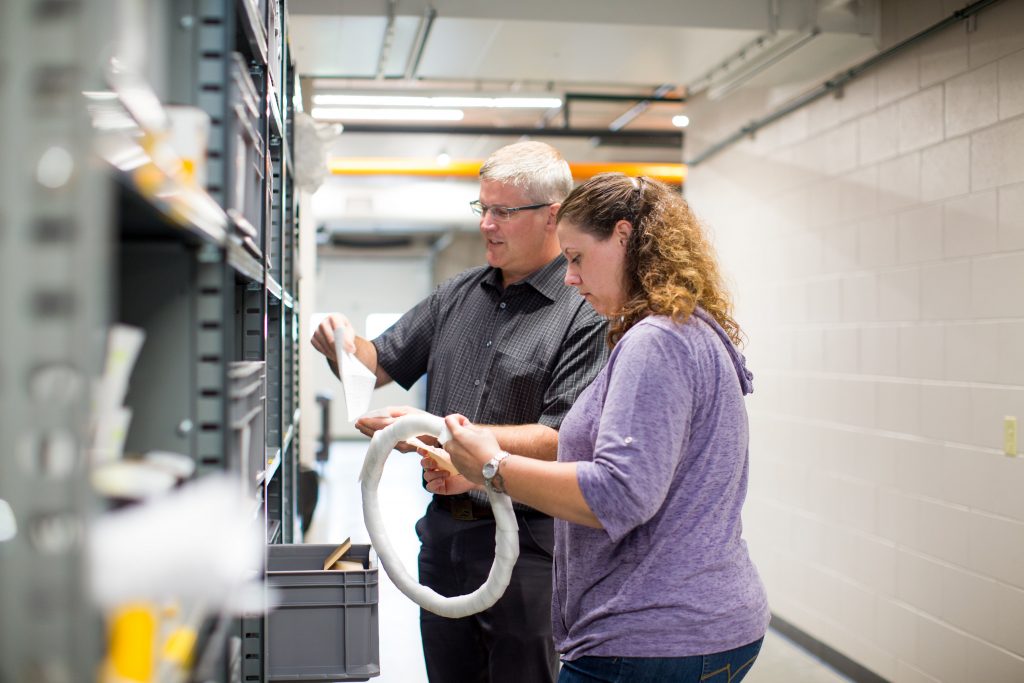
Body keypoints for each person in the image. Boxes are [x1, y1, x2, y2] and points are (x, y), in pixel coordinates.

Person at [438, 173, 770, 683]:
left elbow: (618, 494)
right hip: (704, 625)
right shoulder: (692, 329)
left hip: (650, 639)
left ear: (621, 237)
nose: (569, 278)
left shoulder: (654, 342)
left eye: (575, 257)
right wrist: (478, 473)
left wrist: (493, 465)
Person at [310, 141, 609, 683]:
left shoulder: (584, 311)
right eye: (483, 208)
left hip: (531, 547)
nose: (487, 225)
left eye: (503, 212)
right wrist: (339, 342)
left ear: (552, 216)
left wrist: (449, 440)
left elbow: (563, 438)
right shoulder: (458, 294)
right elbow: (379, 363)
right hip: (445, 534)